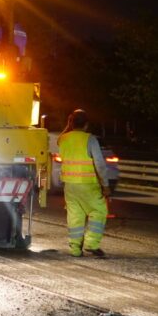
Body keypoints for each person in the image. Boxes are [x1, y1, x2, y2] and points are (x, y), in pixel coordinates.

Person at [57, 109, 110, 257]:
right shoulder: (90, 139)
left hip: (70, 185)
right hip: (88, 184)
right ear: (86, 124)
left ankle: (75, 249)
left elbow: (60, 138)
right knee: (99, 211)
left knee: (75, 215)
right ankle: (91, 244)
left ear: (71, 123)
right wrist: (105, 185)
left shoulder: (63, 139)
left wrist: (69, 125)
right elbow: (99, 164)